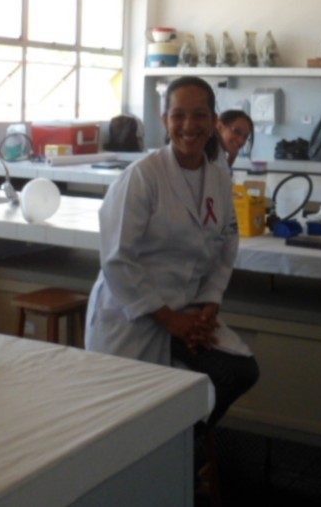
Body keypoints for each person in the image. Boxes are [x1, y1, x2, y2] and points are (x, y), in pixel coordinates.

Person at [85, 76, 259, 431]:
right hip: (134, 315)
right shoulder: (142, 177)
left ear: (214, 122)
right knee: (128, 420)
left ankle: (181, 447)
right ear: (165, 120)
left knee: (239, 371)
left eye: (199, 115)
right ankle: (170, 448)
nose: (188, 125)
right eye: (178, 115)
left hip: (187, 311)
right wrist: (169, 320)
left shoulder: (218, 178)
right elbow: (117, 259)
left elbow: (227, 243)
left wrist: (209, 305)